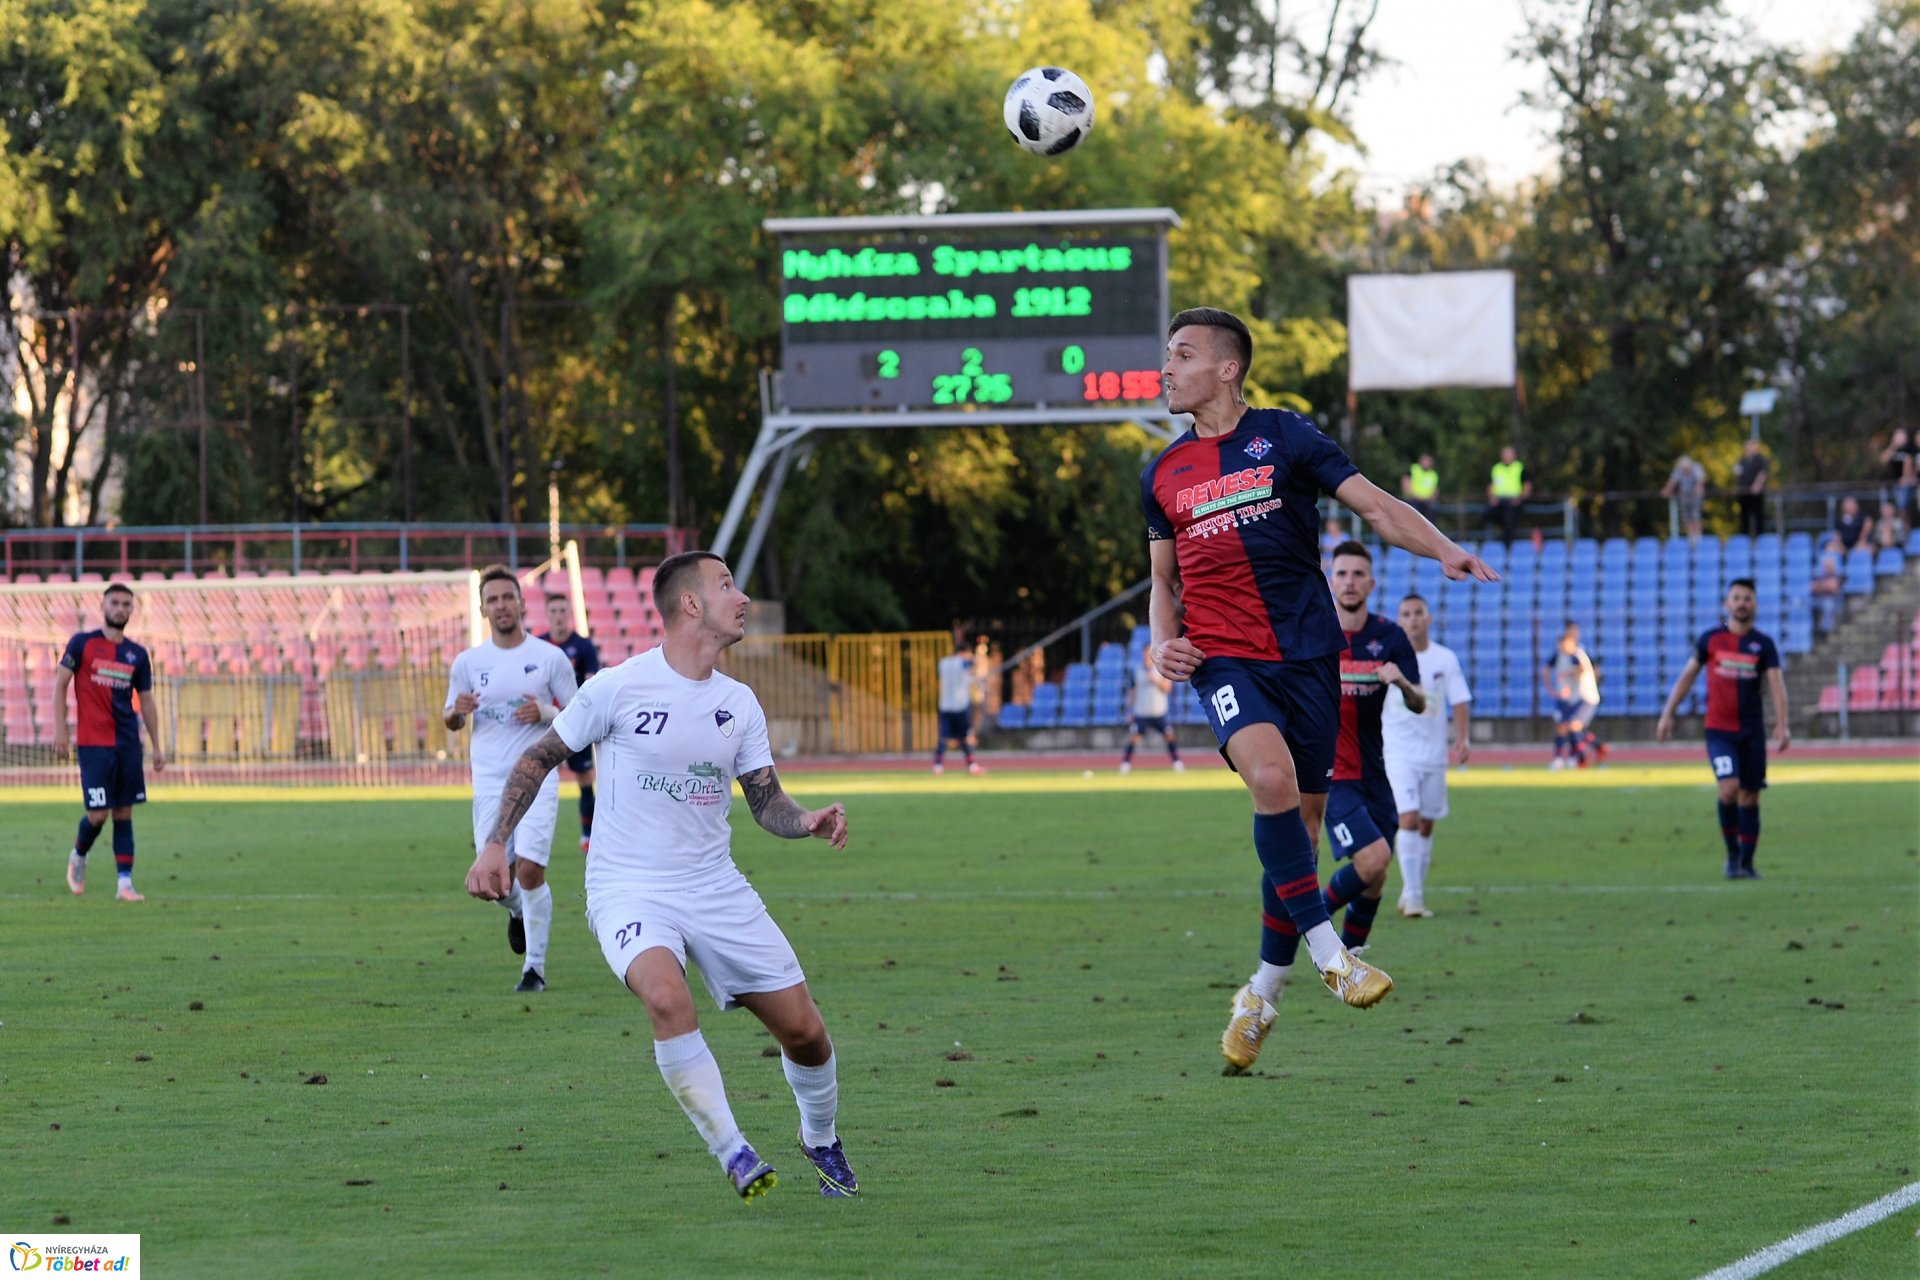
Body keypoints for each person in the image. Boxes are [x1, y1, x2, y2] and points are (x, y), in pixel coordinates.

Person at [1139, 306, 1496, 1075]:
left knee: (1298, 836)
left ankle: (1262, 994)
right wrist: (1160, 641)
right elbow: (1162, 584)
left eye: (1182, 354)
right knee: (1268, 779)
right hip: (1224, 662)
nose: (1166, 368)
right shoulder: (1161, 474)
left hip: (1307, 657)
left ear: (1227, 368)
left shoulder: (1287, 438)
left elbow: (1372, 505)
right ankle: (1335, 957)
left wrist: (1442, 549)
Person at [464, 551, 859, 1201]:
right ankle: (733, 1150)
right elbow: (540, 756)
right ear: (692, 604)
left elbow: (766, 802)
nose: (743, 598)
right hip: (628, 888)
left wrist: (807, 820)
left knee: (806, 1034)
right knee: (667, 998)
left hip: (716, 887)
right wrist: (495, 845)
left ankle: (821, 1139)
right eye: (728, 585)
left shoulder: (740, 703)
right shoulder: (618, 688)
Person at [444, 566, 578, 992]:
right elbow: (449, 718)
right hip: (489, 784)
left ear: (522, 603)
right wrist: (456, 713)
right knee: (497, 882)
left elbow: (579, 716)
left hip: (538, 778)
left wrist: (545, 713)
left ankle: (534, 969)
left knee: (532, 871)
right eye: (493, 599)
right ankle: (518, 910)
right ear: (483, 608)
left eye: (508, 597)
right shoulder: (468, 663)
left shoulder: (549, 658)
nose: (501, 605)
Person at [1314, 543, 1425, 958]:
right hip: (1331, 776)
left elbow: (1420, 704)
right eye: (1342, 574)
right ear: (1331, 578)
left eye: (1358, 574)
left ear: (1372, 583)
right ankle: (1309, 925)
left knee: (1376, 879)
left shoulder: (1389, 637)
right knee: (1374, 860)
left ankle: (1350, 959)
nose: (1349, 582)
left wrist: (1402, 683)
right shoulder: (1314, 632)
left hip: (1376, 775)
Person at [1655, 579, 1789, 878]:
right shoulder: (1710, 640)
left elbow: (1776, 685)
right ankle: (1731, 855)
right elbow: (1687, 676)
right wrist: (1667, 713)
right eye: (1737, 598)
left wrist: (1782, 724)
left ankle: (1747, 862)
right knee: (1729, 789)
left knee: (1750, 796)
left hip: (1752, 732)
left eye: (1747, 598)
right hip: (1719, 731)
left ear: (1754, 604)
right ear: (1727, 603)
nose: (1742, 603)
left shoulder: (1763, 644)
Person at [54, 583, 166, 901]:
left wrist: (157, 745)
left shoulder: (137, 654)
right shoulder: (81, 644)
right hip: (93, 743)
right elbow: (60, 683)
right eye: (115, 602)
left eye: (126, 604)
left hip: (128, 743)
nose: (120, 608)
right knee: (98, 814)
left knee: (124, 812)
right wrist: (60, 730)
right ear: (103, 606)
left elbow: (146, 701)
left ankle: (125, 884)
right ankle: (79, 854)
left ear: (132, 610)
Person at [1382, 592, 1472, 919]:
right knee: (1408, 817)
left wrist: (1462, 738)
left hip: (1433, 754)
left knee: (1427, 824)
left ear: (1428, 618)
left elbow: (1460, 699)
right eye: (1406, 613)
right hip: (1398, 753)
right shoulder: (1388, 660)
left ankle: (1412, 889)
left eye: (1418, 612)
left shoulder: (1444, 659)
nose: (1413, 618)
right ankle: (1415, 895)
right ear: (1399, 619)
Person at [538, 593, 602, 852]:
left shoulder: (584, 647)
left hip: (576, 724)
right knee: (535, 777)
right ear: (547, 614)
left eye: (562, 610)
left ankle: (589, 836)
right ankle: (534, 837)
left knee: (585, 778)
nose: (558, 616)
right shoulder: (539, 645)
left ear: (569, 614)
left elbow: (591, 686)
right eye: (553, 611)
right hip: (543, 725)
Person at [1543, 622, 1605, 769]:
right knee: (1565, 727)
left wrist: (1566, 675)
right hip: (1572, 698)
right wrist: (1554, 690)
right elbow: (1545, 670)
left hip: (1585, 698)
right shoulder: (1560, 656)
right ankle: (1573, 756)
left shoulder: (1577, 654)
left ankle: (1581, 758)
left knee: (1574, 727)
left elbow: (1582, 668)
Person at [1118, 646, 1183, 774]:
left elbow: (1167, 688)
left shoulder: (1161, 671)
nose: (1147, 656)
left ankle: (1177, 763)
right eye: (1145, 654)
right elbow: (1132, 693)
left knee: (1169, 736)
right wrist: (1129, 711)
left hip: (1159, 712)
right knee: (1134, 738)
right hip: (1141, 712)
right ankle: (1125, 764)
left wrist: (1154, 679)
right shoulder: (1136, 671)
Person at [933, 637, 983, 775]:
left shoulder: (943, 663)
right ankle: (972, 765)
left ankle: (938, 766)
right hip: (960, 706)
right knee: (965, 737)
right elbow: (969, 664)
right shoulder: (963, 663)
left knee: (943, 737)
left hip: (945, 706)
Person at [1485, 445, 1529, 543]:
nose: (1507, 456)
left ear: (1514, 455)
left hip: (1513, 502)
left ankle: (1507, 544)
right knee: (1487, 514)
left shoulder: (1519, 467)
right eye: (1505, 454)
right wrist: (1492, 497)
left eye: (1509, 454)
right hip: (1499, 501)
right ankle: (1499, 535)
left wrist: (1520, 498)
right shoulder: (1496, 468)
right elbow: (1490, 485)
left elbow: (1527, 485)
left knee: (1509, 520)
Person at [1662, 453, 1708, 542]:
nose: (1684, 470)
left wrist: (1699, 489)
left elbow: (1700, 481)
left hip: (1695, 498)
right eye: (1682, 468)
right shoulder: (1679, 469)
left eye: (1685, 468)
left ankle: (1698, 538)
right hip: (1684, 497)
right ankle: (1690, 538)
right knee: (1687, 519)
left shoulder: (1696, 467)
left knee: (1696, 517)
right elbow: (1672, 481)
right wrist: (1666, 490)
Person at [1734, 439, 1769, 538]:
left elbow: (1763, 473)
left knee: (1758, 518)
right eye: (1749, 446)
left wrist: (1757, 485)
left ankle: (1760, 541)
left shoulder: (1760, 459)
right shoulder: (1742, 460)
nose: (1751, 448)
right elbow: (1737, 473)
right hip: (1744, 494)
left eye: (1753, 446)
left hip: (1756, 495)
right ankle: (1744, 541)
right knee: (1744, 519)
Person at [1878, 427, 1916, 517]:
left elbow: (1910, 463)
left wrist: (1906, 478)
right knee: (1891, 509)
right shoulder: (1892, 449)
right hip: (1893, 483)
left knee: (1904, 509)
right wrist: (1893, 445)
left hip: (1906, 484)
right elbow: (1883, 460)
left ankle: (1907, 529)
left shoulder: (1910, 448)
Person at [1401, 453, 1439, 522]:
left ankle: (1429, 529)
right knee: (1414, 509)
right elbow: (1405, 485)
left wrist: (1429, 498)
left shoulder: (1433, 474)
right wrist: (1415, 496)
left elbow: (1435, 491)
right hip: (1413, 499)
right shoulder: (1413, 469)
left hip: (1427, 501)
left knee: (1434, 508)